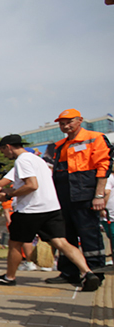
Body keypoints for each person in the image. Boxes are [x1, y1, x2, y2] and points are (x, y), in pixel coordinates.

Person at [0, 134, 100, 291]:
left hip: (31, 209)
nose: (4, 155)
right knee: (61, 242)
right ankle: (87, 273)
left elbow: (32, 185)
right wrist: (8, 190)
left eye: (3, 151)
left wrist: (9, 195)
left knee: (15, 243)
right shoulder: (38, 160)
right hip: (51, 207)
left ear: (8, 147)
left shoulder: (22, 160)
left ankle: (9, 277)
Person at [46, 109, 112, 284]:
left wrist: (99, 195)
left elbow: (103, 167)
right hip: (63, 195)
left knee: (89, 234)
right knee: (66, 236)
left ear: (80, 120)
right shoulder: (59, 145)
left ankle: (95, 273)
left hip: (85, 194)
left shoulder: (95, 138)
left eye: (69, 122)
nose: (65, 126)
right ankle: (69, 273)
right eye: (61, 123)